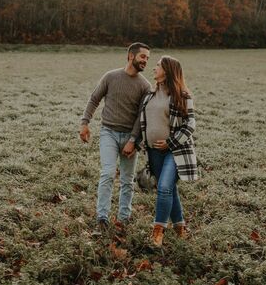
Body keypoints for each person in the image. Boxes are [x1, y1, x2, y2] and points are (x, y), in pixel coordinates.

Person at [80, 42, 151, 230]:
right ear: (131, 56)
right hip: (108, 133)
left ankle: (123, 218)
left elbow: (141, 116)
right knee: (108, 173)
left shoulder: (145, 86)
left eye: (147, 58)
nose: (146, 61)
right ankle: (101, 218)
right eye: (143, 57)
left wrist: (133, 141)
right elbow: (94, 99)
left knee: (127, 180)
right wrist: (84, 123)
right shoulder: (110, 77)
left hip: (130, 137)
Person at [136, 55, 197, 247]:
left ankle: (158, 231)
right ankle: (180, 227)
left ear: (168, 71)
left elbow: (190, 125)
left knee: (163, 188)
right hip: (153, 151)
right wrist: (137, 143)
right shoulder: (149, 95)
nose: (154, 69)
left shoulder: (182, 96)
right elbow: (144, 123)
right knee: (169, 189)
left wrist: (170, 142)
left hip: (175, 151)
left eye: (158, 66)